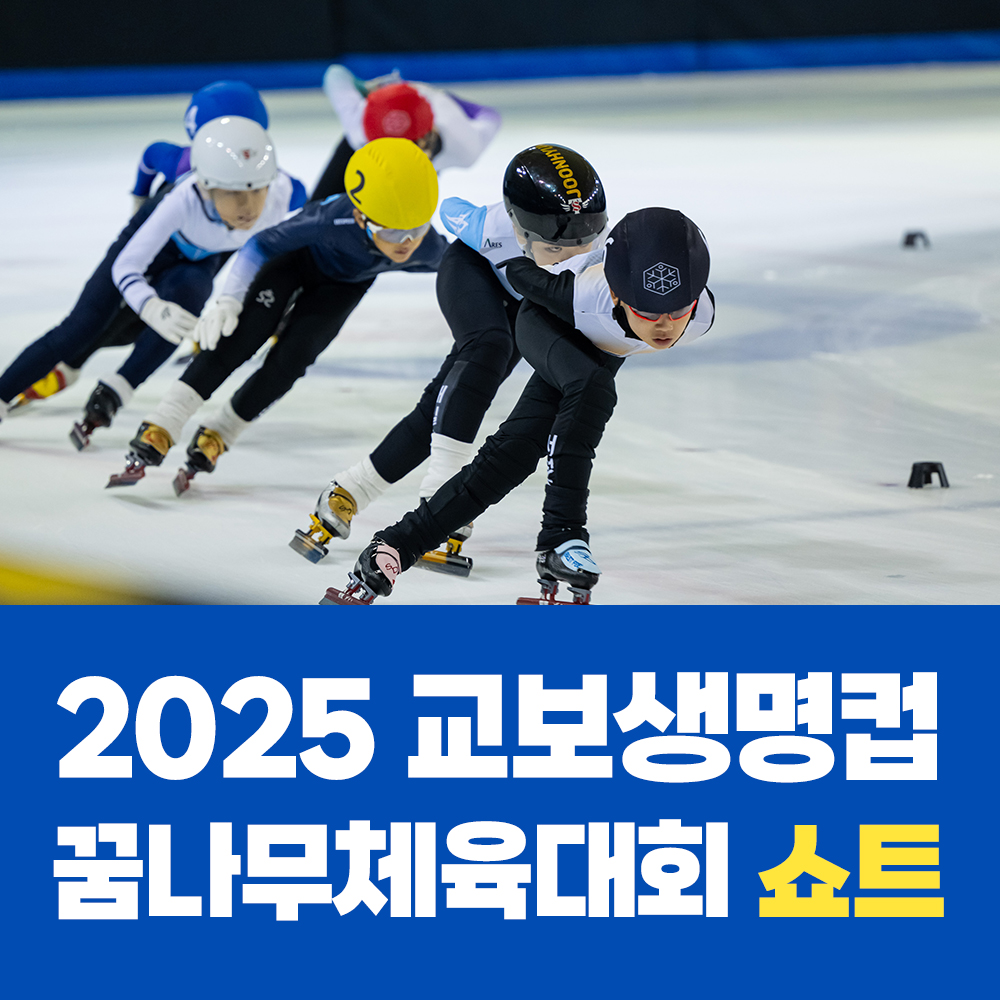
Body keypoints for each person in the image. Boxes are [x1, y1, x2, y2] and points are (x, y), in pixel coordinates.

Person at [320, 206, 715, 606]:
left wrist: (652, 315)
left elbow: (652, 318)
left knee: (512, 454)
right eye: (647, 311)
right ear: (617, 294)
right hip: (547, 321)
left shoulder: (702, 314)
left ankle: (396, 545)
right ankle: (562, 535)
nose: (664, 325)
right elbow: (522, 275)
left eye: (678, 310)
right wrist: (487, 231)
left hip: (599, 349)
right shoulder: (581, 293)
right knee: (593, 387)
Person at [289, 144, 609, 577]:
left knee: (451, 401)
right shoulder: (493, 227)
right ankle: (441, 485)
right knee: (488, 346)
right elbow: (450, 209)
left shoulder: (597, 246)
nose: (573, 256)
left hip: (526, 300)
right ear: (519, 229)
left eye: (584, 242)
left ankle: (350, 489)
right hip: (471, 271)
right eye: (556, 247)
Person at [106, 137, 447, 492]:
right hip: (294, 263)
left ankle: (222, 432)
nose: (406, 243)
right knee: (241, 337)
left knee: (294, 359)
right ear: (360, 216)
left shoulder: (427, 247)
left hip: (343, 287)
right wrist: (229, 301)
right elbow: (259, 244)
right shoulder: (329, 219)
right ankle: (166, 419)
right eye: (392, 230)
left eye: (417, 228)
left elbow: (458, 263)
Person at [9, 81, 270, 410]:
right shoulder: (182, 170)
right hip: (160, 243)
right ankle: (65, 364)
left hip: (199, 258)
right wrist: (139, 205)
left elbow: (151, 156)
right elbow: (153, 155)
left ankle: (85, 369)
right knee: (93, 321)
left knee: (141, 323)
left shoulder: (267, 182)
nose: (247, 199)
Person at [310, 64, 501, 201]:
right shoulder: (358, 122)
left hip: (437, 117)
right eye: (383, 148)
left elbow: (491, 117)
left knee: (407, 226)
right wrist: (365, 87)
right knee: (316, 209)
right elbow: (335, 73)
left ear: (427, 138)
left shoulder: (462, 142)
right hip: (383, 107)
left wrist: (455, 102)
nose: (392, 160)